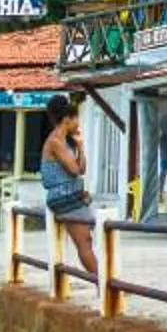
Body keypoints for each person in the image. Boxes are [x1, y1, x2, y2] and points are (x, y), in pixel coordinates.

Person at [37, 96, 100, 282]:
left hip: (68, 194)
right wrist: (79, 148)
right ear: (67, 119)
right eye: (76, 118)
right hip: (64, 196)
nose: (78, 123)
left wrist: (80, 146)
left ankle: (101, 281)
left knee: (86, 240)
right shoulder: (56, 141)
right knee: (84, 242)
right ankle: (102, 282)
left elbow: (81, 169)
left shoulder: (65, 141)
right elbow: (74, 170)